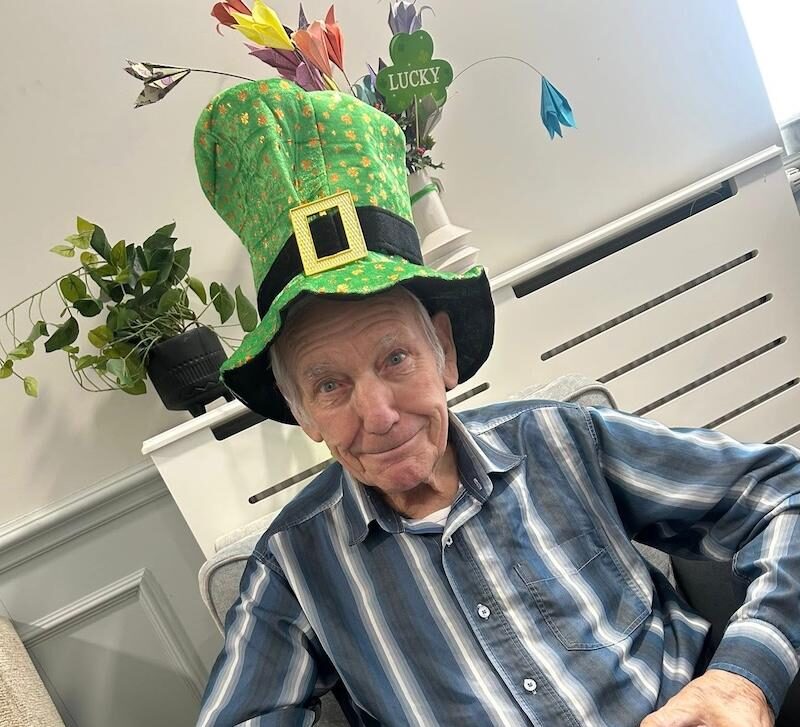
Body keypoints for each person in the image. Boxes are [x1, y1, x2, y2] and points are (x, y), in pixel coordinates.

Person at [193, 78, 799, 726]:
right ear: (301, 411)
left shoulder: (562, 439)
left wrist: (744, 677)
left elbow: (783, 492)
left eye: (396, 358)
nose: (377, 413)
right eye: (330, 385)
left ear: (444, 354)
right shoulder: (293, 565)